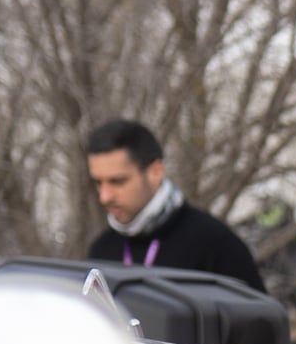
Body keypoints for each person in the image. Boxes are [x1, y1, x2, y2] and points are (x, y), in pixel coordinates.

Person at [78, 119, 262, 284]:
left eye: (117, 181)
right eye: (98, 183)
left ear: (155, 172)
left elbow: (261, 319)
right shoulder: (102, 250)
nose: (105, 197)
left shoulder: (214, 244)